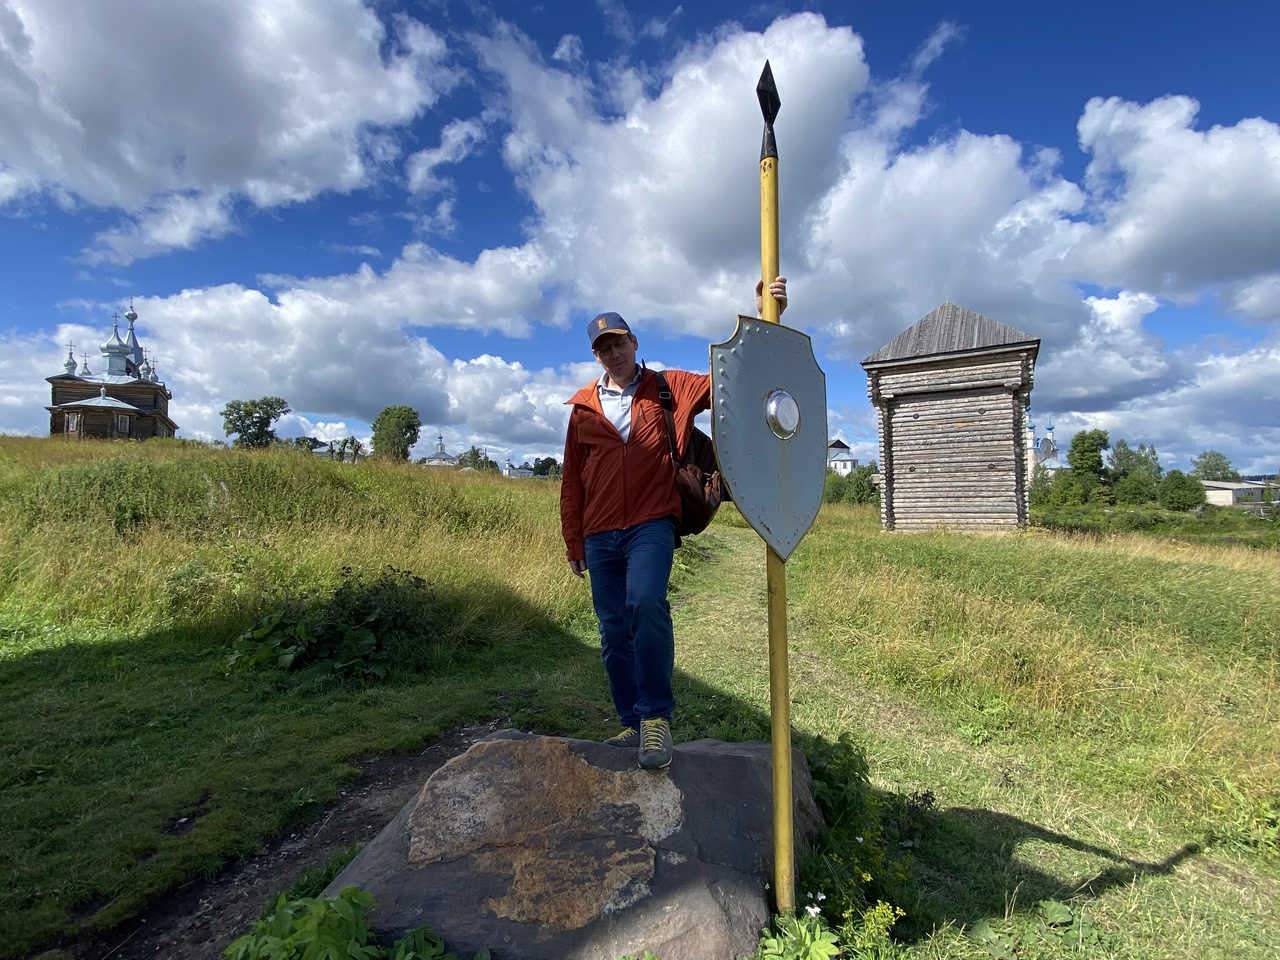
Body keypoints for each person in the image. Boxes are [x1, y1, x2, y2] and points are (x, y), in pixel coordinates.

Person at [560, 277, 789, 770]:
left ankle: (656, 718)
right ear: (596, 356)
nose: (612, 353)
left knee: (645, 603)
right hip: (599, 533)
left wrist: (767, 316)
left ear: (634, 343)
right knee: (612, 629)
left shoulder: (671, 388)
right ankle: (631, 722)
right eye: (603, 348)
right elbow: (572, 481)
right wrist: (572, 539)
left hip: (651, 522)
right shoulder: (582, 407)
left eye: (618, 342)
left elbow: (737, 377)